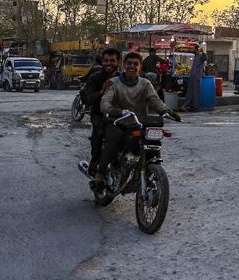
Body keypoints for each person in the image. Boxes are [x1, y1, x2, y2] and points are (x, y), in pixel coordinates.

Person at [95, 52, 180, 185]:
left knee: (152, 143)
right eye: (129, 63)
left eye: (135, 64)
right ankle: (100, 174)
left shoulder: (145, 84)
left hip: (138, 123)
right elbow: (105, 102)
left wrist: (166, 111)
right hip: (116, 122)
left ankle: (149, 174)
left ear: (140, 67)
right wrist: (114, 111)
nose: (132, 66)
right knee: (114, 138)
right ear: (124, 65)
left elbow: (155, 100)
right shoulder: (113, 83)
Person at [80, 48, 121, 176]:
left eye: (112, 61)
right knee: (99, 132)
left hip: (120, 115)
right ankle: (95, 165)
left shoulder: (123, 78)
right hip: (99, 114)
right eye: (106, 60)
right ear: (102, 62)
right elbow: (88, 99)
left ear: (118, 62)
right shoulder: (95, 77)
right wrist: (101, 92)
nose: (109, 63)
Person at [183, 45, 206, 112]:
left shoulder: (200, 56)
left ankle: (195, 107)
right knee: (190, 91)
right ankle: (188, 105)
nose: (192, 50)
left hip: (197, 77)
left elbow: (205, 57)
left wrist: (202, 51)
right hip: (192, 76)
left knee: (196, 92)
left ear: (196, 49)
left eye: (193, 49)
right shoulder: (195, 56)